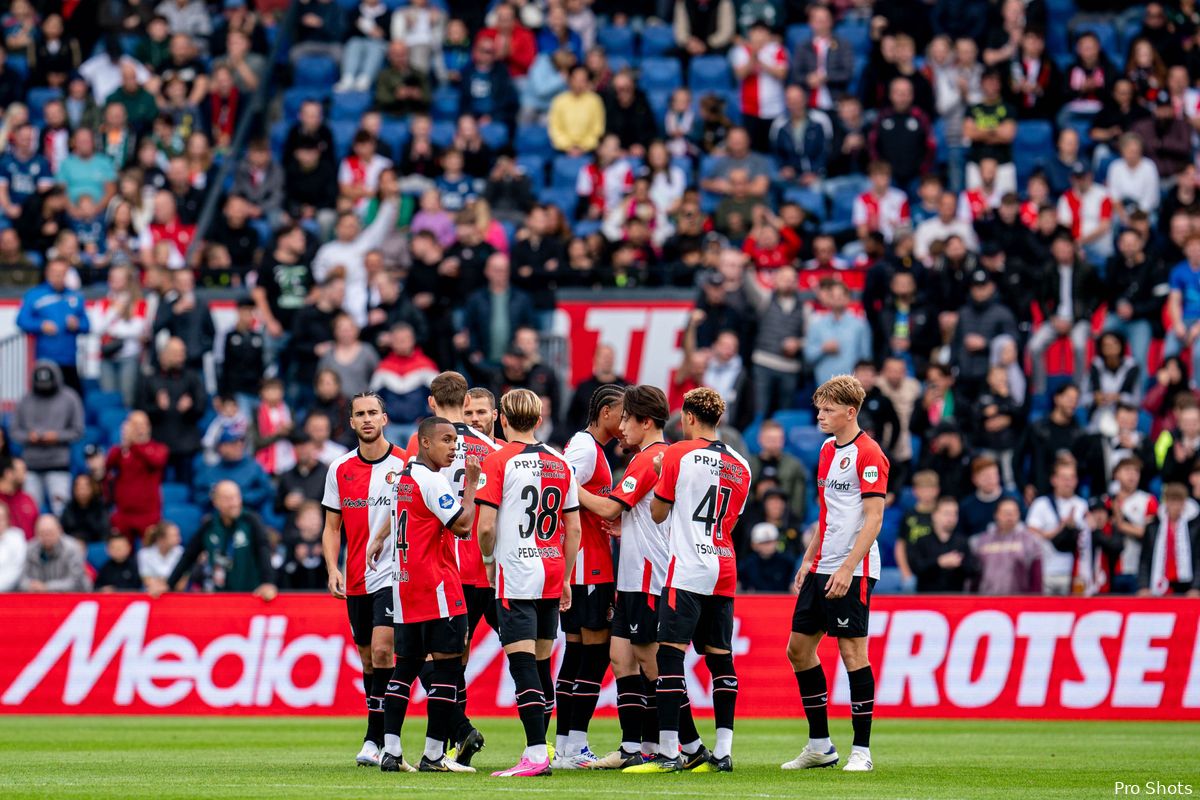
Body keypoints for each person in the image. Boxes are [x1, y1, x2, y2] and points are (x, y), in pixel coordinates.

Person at [576, 385, 706, 770]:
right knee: (621, 659)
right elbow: (628, 513)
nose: (621, 428)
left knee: (652, 663)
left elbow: (607, 505)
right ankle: (635, 745)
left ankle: (685, 745)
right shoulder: (650, 458)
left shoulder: (651, 458)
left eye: (627, 420)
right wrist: (625, 526)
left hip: (651, 575)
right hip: (632, 576)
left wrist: (565, 481)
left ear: (645, 421)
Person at [623, 387, 747, 774]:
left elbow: (659, 514)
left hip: (689, 567)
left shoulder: (676, 453)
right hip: (723, 564)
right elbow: (733, 521)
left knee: (669, 656)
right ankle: (723, 752)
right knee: (720, 657)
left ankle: (669, 752)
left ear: (689, 418)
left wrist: (665, 484)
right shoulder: (742, 464)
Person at [364, 416, 482, 773]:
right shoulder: (431, 480)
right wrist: (472, 486)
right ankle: (433, 756)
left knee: (405, 669)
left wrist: (381, 537)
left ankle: (392, 752)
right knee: (446, 670)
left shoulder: (404, 478)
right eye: (446, 440)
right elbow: (462, 524)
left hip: (405, 587)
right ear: (425, 443)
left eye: (455, 441)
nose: (454, 447)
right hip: (438, 587)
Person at [784, 375, 888, 773]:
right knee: (798, 650)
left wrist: (847, 567)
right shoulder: (828, 450)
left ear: (850, 411)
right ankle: (820, 745)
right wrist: (810, 558)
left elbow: (874, 519)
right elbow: (827, 513)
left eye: (828, 410)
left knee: (851, 653)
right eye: (819, 408)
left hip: (854, 568)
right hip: (823, 564)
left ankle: (861, 750)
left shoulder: (870, 453)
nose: (820, 416)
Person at [475, 389, 581, 777]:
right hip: (552, 571)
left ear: (502, 418)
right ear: (538, 420)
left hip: (517, 573)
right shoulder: (560, 462)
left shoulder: (497, 459)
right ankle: (541, 749)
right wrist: (567, 575)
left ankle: (536, 754)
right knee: (541, 666)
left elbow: (485, 526)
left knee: (522, 667)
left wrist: (489, 560)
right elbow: (574, 529)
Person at [399, 372, 499, 765]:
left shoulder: (422, 440)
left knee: (435, 662)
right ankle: (542, 746)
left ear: (431, 402)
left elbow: (407, 496)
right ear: (466, 399)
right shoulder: (492, 447)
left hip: (440, 566)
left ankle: (452, 735)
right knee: (517, 654)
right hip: (485, 568)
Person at [321, 392, 408, 768]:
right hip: (356, 576)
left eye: (374, 412)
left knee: (384, 649)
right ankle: (375, 736)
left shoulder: (407, 464)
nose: (368, 419)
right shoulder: (339, 468)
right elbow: (330, 527)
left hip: (396, 574)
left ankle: (385, 739)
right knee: (368, 660)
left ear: (385, 419)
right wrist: (332, 568)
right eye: (360, 414)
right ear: (352, 423)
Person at [553, 385, 623, 767]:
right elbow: (562, 487)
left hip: (581, 564)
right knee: (595, 656)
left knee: (577, 652)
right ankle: (575, 744)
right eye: (623, 414)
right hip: (589, 563)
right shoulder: (584, 448)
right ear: (607, 411)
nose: (625, 422)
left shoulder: (587, 446)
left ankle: (565, 744)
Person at [10, 361, 83, 516]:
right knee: (29, 512)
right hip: (31, 466)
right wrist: (29, 437)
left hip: (59, 464)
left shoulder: (69, 398)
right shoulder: (25, 400)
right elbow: (14, 431)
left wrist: (57, 436)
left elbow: (78, 430)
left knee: (61, 511)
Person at [14, 258, 89, 396]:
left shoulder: (75, 296)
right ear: (47, 273)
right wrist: (41, 325)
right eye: (55, 272)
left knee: (74, 399)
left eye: (62, 273)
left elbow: (87, 325)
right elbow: (21, 320)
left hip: (69, 360)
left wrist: (77, 324)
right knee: (44, 399)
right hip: (45, 359)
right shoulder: (34, 295)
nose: (58, 276)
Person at [1025, 457, 1088, 596]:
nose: (1068, 482)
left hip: (1074, 572)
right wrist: (1060, 529)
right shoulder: (1041, 504)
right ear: (1054, 480)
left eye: (1071, 478)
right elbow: (1030, 532)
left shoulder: (1082, 505)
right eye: (1063, 478)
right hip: (1046, 570)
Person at [803, 278, 872, 388]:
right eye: (833, 296)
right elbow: (808, 356)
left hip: (851, 386)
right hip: (824, 385)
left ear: (848, 298)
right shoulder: (817, 324)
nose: (837, 298)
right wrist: (823, 349)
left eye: (841, 295)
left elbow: (865, 357)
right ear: (827, 299)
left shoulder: (860, 324)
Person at [1138, 482, 1200, 597]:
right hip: (1159, 582)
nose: (1176, 506)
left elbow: (1198, 559)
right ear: (1166, 502)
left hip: (1186, 584)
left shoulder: (1194, 527)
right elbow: (1145, 559)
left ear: (1185, 503)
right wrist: (1143, 586)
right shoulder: (1153, 527)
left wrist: (1196, 587)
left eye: (1179, 501)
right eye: (1172, 501)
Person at [970, 497, 1043, 594]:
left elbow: (1036, 577)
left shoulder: (1030, 541)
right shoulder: (982, 541)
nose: (1010, 516)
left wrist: (1034, 601)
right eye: (1005, 513)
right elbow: (975, 575)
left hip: (1018, 600)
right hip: (986, 600)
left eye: (1014, 512)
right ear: (996, 514)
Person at [907, 496, 972, 592]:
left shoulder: (962, 541)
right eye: (947, 514)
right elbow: (916, 568)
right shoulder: (922, 541)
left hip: (956, 599)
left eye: (955, 514)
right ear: (935, 515)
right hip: (927, 599)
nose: (952, 518)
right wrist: (939, 562)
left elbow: (973, 570)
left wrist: (959, 563)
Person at [274, 432, 329, 543]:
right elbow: (276, 506)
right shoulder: (287, 475)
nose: (301, 449)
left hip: (321, 536)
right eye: (297, 446)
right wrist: (285, 503)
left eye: (305, 445)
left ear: (313, 447)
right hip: (293, 537)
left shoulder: (326, 473)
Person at [19, 514, 90, 592]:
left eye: (50, 533)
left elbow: (76, 581)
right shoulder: (30, 549)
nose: (46, 537)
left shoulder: (72, 548)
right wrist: (30, 585)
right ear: (36, 533)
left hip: (71, 597)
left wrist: (47, 587)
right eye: (42, 533)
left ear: (60, 530)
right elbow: (22, 578)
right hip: (39, 596)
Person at [738, 523, 793, 592]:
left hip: (782, 601)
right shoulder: (746, 564)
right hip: (754, 602)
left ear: (777, 542)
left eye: (771, 542)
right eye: (763, 542)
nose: (767, 546)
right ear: (753, 545)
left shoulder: (787, 563)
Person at [139, 521, 183, 596]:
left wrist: (162, 583)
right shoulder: (144, 554)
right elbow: (147, 580)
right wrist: (166, 583)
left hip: (176, 595)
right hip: (153, 595)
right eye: (174, 536)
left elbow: (181, 584)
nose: (179, 539)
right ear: (161, 539)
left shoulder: (181, 553)